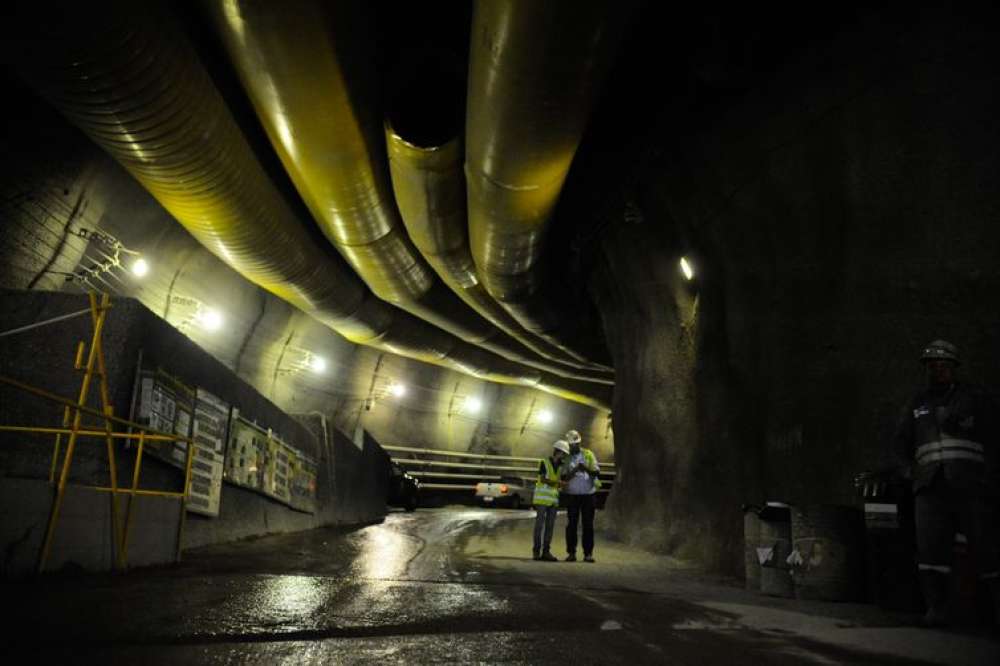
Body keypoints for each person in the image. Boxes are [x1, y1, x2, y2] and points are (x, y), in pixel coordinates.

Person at [893, 340, 999, 626]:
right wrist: (908, 472)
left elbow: (992, 438)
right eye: (931, 365)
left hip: (969, 485)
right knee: (930, 551)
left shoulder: (974, 398)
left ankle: (993, 611)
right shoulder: (917, 403)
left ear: (954, 367)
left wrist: (989, 477)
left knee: (985, 546)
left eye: (943, 365)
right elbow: (901, 441)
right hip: (929, 487)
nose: (937, 370)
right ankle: (936, 609)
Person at [561, 429, 601, 563]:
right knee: (571, 525)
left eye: (575, 444)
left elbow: (596, 473)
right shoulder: (566, 458)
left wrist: (586, 469)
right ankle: (571, 553)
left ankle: (588, 554)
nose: (574, 447)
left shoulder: (588, 454)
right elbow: (564, 477)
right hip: (572, 496)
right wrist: (575, 470)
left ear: (579, 443)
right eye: (571, 445)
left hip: (588, 496)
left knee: (588, 525)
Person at [533, 440, 569, 561]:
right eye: (563, 453)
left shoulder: (561, 466)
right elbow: (543, 479)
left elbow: (561, 481)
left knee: (550, 526)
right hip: (542, 499)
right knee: (539, 526)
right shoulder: (544, 462)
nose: (564, 456)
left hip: (553, 500)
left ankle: (546, 552)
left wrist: (562, 484)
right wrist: (558, 483)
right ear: (558, 452)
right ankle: (536, 552)